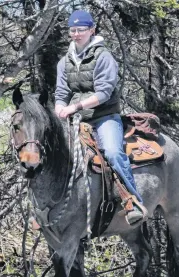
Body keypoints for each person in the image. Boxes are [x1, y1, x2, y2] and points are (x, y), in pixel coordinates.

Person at [54, 9, 147, 225]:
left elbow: (104, 93)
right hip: (76, 118)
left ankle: (132, 201)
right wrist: (60, 107)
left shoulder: (103, 57)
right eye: (73, 30)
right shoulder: (64, 62)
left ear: (92, 30)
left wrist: (73, 107)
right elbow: (61, 92)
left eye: (81, 30)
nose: (76, 34)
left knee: (113, 153)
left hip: (104, 116)